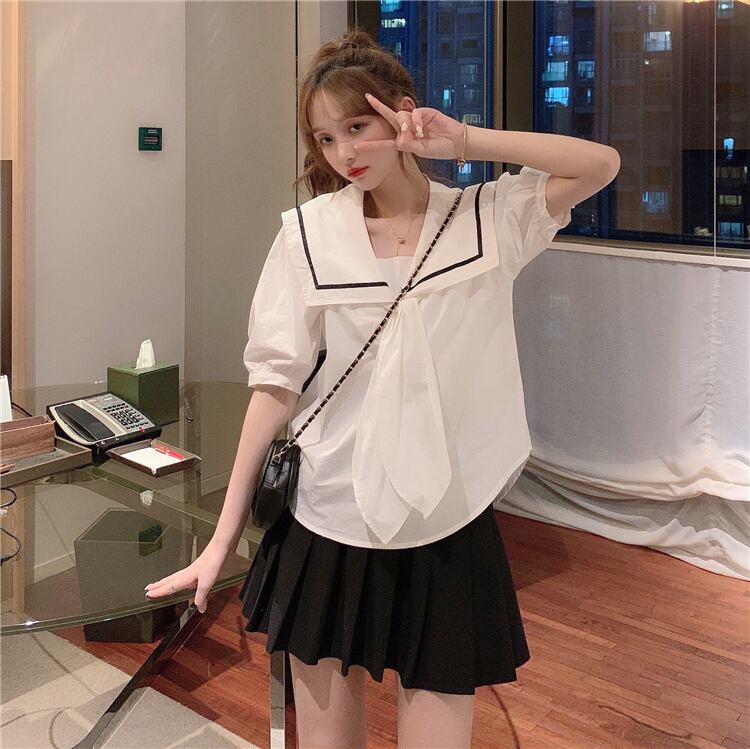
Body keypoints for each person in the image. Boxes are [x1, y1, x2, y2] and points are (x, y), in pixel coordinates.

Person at [145, 29, 619, 749]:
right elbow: (274, 387)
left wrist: (465, 139)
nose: (344, 152)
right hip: (327, 516)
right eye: (325, 138)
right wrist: (221, 539)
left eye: (357, 126)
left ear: (401, 113)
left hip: (446, 521)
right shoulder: (308, 235)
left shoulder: (485, 219)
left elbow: (600, 163)